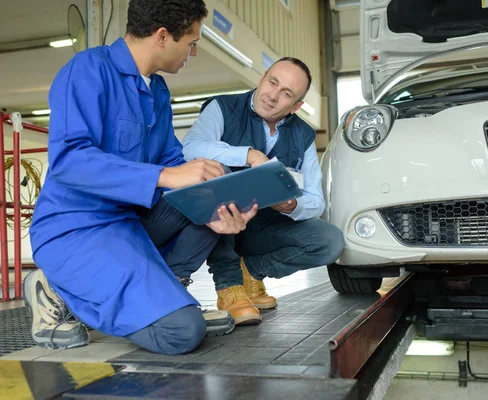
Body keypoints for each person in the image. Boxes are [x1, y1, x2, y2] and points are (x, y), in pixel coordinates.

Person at [24, 0, 257, 355]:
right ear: (163, 36)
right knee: (182, 333)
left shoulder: (157, 92)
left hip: (128, 223)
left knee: (210, 197)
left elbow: (171, 161)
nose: (192, 53)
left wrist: (219, 208)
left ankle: (168, 295)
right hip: (76, 229)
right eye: (191, 43)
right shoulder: (88, 70)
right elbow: (70, 161)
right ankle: (55, 286)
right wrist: (167, 174)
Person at [182, 57, 345, 325]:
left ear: (296, 106)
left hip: (264, 229)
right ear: (261, 78)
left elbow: (316, 201)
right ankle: (229, 288)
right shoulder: (222, 107)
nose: (272, 96)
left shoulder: (303, 135)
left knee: (330, 242)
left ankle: (251, 272)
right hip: (219, 224)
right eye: (272, 82)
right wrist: (249, 155)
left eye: (286, 94)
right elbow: (189, 148)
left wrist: (293, 205)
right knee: (217, 171)